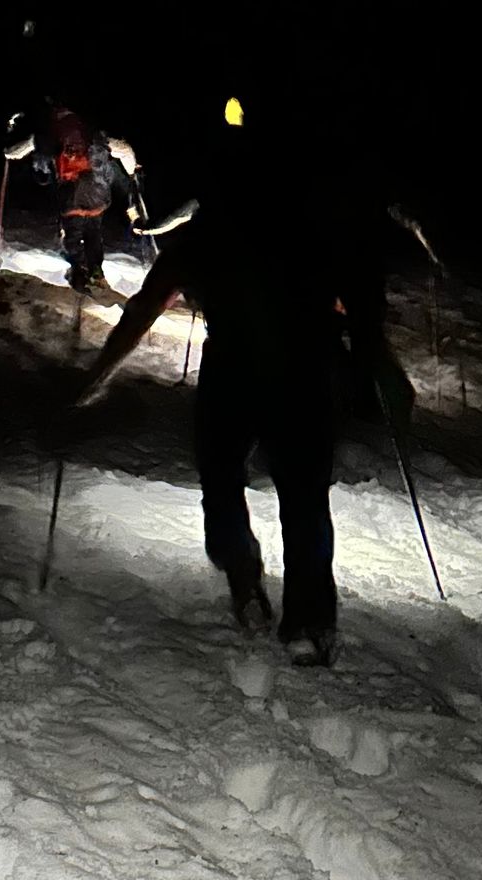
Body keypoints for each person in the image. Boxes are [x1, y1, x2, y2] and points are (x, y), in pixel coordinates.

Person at [71, 98, 407, 665]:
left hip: (246, 373)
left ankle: (254, 578)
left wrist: (99, 374)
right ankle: (303, 617)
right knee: (300, 501)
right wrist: (379, 369)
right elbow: (361, 305)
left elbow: (148, 305)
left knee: (229, 485)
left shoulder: (223, 227)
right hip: (291, 373)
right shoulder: (306, 226)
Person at [2, 97, 143, 291]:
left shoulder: (50, 135)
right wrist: (132, 170)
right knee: (94, 233)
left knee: (72, 235)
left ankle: (79, 271)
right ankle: (96, 272)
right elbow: (124, 150)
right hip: (98, 196)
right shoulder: (94, 134)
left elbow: (14, 152)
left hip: (71, 196)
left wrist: (8, 147)